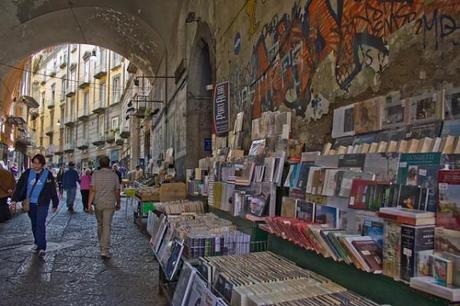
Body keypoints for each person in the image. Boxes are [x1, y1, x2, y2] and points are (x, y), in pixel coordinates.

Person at [11, 154, 59, 256]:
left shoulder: (48, 174)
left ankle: (42, 247)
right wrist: (14, 200)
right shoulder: (27, 173)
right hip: (30, 204)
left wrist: (55, 203)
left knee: (40, 223)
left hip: (43, 203)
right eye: (34, 163)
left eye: (38, 163)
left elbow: (52, 189)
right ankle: (37, 242)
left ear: (42, 164)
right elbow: (19, 186)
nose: (35, 165)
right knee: (34, 224)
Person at [88, 155, 121, 259]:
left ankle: (101, 245)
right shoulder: (114, 175)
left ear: (100, 164)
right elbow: (117, 191)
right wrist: (118, 202)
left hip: (98, 203)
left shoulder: (95, 174)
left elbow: (93, 190)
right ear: (109, 164)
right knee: (107, 226)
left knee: (100, 225)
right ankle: (104, 250)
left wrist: (89, 204)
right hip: (109, 204)